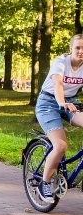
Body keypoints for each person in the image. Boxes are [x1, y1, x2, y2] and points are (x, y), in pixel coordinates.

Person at [34, 34, 83, 202]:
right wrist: (62, 102)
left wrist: (67, 103)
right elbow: (58, 84)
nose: (81, 51)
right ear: (71, 49)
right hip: (48, 102)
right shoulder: (61, 62)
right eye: (78, 48)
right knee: (61, 145)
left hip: (71, 103)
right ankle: (44, 183)